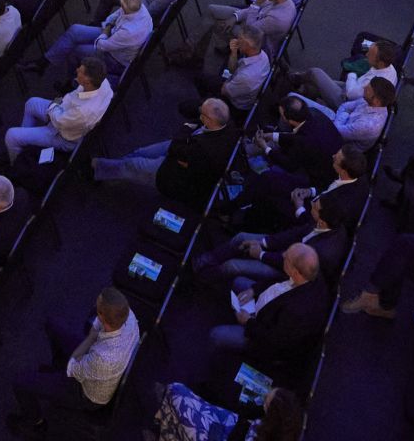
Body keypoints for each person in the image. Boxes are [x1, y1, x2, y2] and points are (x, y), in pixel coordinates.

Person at [6, 288, 140, 436]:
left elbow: (75, 367)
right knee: (52, 325)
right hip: (93, 365)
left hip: (87, 393)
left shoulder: (103, 359)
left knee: (20, 382)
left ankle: (35, 423)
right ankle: (56, 370)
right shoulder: (130, 319)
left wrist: (88, 340)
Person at [91, 98, 235, 201]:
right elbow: (185, 110)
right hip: (182, 147)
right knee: (141, 152)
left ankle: (94, 167)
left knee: (132, 165)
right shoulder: (223, 123)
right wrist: (185, 133)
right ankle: (112, 169)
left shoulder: (207, 150)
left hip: (170, 172)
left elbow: (178, 150)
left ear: (209, 120)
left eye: (201, 113)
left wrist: (185, 129)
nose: (198, 115)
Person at [195, 194, 351, 290]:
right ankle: (206, 260)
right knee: (242, 237)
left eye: (315, 207)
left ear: (322, 222)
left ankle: (205, 277)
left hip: (287, 271)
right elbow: (293, 234)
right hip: (287, 252)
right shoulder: (324, 222)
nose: (311, 205)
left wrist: (261, 254)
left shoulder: (321, 251)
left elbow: (290, 266)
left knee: (233, 265)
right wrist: (264, 242)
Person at [208, 244, 329, 362]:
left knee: (216, 334)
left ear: (296, 272)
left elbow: (273, 340)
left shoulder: (297, 311)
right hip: (267, 307)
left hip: (262, 336)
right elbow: (277, 282)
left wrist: (248, 322)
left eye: (286, 258)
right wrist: (253, 290)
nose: (283, 255)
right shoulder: (309, 273)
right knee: (239, 282)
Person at [39, 0, 152, 84]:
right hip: (111, 34)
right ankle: (45, 62)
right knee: (75, 30)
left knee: (76, 51)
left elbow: (101, 46)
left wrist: (107, 29)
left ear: (123, 4)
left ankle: (72, 83)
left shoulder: (129, 31)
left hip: (115, 58)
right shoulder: (138, 6)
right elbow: (114, 16)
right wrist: (108, 26)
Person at [5, 59, 113, 163]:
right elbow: (67, 98)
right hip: (63, 113)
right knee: (31, 103)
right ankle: (25, 151)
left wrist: (55, 103)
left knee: (11, 136)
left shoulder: (83, 113)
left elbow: (57, 120)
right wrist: (57, 102)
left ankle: (17, 164)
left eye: (80, 71)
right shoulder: (102, 82)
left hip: (62, 135)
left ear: (87, 81)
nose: (77, 70)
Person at [288, 38, 400, 111]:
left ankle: (293, 79)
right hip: (352, 87)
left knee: (315, 73)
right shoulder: (389, 68)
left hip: (345, 102)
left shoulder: (373, 83)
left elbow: (351, 94)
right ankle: (299, 92)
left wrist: (352, 74)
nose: (366, 55)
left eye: (370, 55)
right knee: (315, 83)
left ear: (380, 63)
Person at [188, 25, 273, 115]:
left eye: (240, 39)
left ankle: (206, 102)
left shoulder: (246, 76)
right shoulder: (263, 55)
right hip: (235, 84)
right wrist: (234, 52)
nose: (236, 40)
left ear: (248, 45)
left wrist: (225, 78)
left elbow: (224, 91)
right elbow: (232, 70)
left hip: (234, 103)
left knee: (196, 87)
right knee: (222, 69)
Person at [295, 78, 394, 148]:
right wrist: (344, 114)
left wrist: (345, 114)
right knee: (296, 99)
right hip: (338, 122)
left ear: (376, 101)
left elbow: (336, 132)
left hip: (337, 144)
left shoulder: (368, 125)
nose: (364, 87)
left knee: (299, 112)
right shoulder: (369, 101)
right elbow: (345, 106)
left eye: (368, 89)